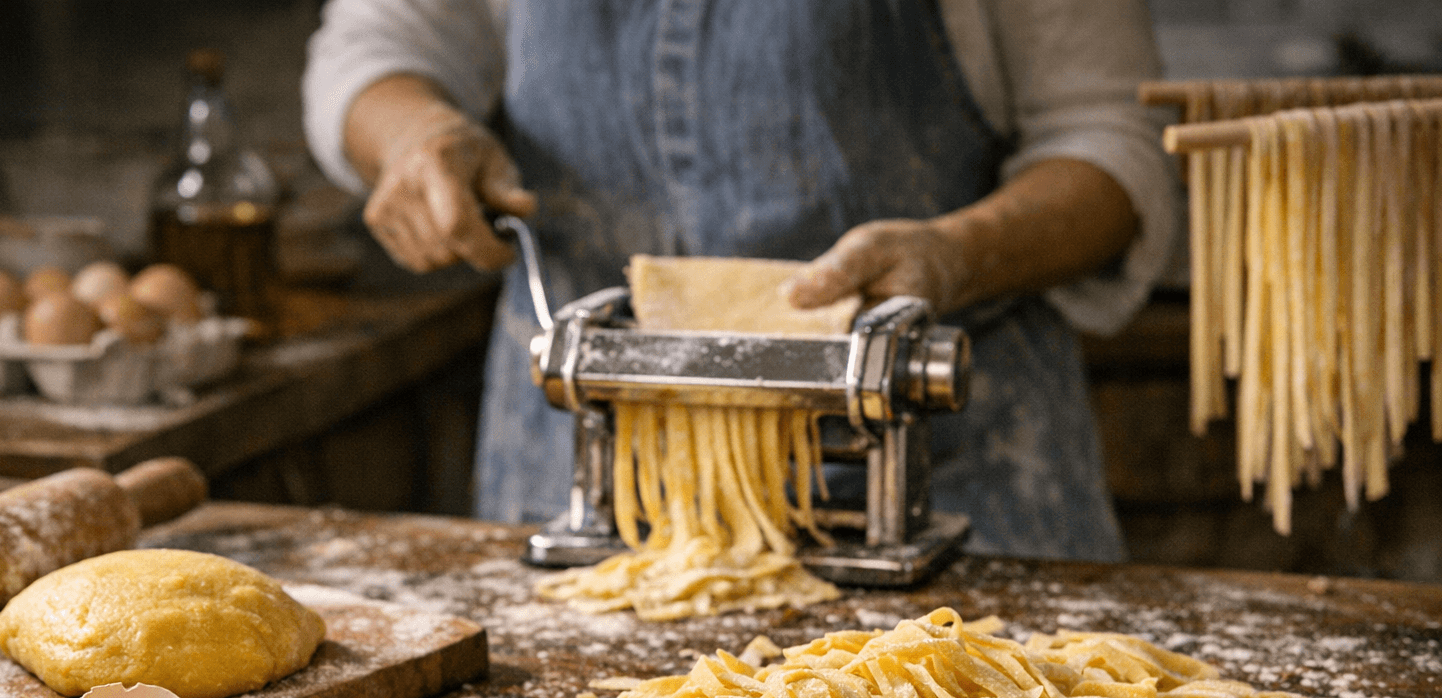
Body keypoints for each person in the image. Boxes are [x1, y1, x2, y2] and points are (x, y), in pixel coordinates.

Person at [303, 0, 1180, 561]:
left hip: (945, 490)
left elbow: (1110, 139)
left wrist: (957, 254)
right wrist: (413, 134)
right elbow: (373, 45)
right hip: (589, 476)